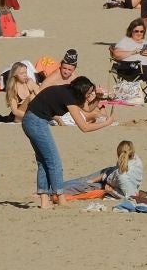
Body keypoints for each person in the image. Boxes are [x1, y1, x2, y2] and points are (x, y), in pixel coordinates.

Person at [23, 75, 112, 209]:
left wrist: (98, 98)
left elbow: (87, 109)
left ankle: (44, 201)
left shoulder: (69, 92)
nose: (90, 96)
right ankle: (61, 198)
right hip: (36, 122)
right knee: (54, 161)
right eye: (89, 93)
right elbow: (84, 127)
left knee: (44, 161)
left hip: (31, 120)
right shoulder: (69, 97)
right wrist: (106, 124)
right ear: (81, 92)